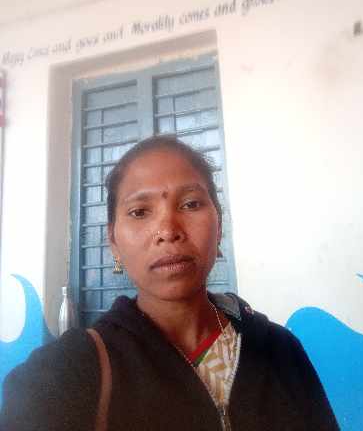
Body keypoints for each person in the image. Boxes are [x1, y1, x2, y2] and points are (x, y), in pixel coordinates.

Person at [0, 135, 339, 430]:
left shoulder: (280, 350)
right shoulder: (68, 373)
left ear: (219, 226)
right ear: (113, 241)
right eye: (139, 212)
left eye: (191, 204)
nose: (168, 230)